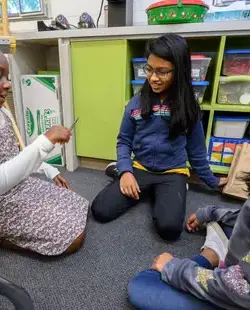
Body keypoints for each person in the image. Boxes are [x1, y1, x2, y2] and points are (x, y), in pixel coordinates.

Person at [91, 34, 226, 241]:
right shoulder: (136, 103)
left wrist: (214, 182)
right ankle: (119, 169)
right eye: (149, 69)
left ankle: (156, 188)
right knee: (100, 211)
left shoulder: (190, 108)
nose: (153, 77)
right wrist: (127, 171)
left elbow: (197, 152)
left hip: (172, 172)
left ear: (179, 71)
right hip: (140, 168)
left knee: (170, 230)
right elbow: (124, 141)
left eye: (162, 72)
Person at [0, 52, 89, 256]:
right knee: (72, 238)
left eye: (7, 77)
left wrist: (49, 170)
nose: (7, 85)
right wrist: (45, 141)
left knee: (78, 204)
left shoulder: (3, 112)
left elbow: (17, 154)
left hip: (19, 184)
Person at [128, 194, 250, 310]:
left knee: (143, 286)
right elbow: (245, 216)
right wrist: (210, 212)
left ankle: (210, 256)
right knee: (228, 223)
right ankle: (221, 260)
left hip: (239, 294)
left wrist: (175, 268)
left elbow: (239, 290)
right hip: (239, 276)